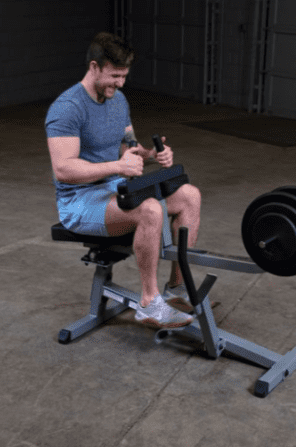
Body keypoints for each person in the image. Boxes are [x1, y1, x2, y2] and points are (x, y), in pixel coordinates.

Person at [45, 32, 201, 329]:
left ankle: (177, 290)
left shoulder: (118, 100)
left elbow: (128, 147)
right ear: (94, 67)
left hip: (114, 189)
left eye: (124, 76)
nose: (120, 83)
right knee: (151, 209)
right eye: (114, 75)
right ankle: (149, 303)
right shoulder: (67, 108)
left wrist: (151, 154)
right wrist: (118, 165)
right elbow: (64, 170)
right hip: (79, 202)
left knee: (189, 195)